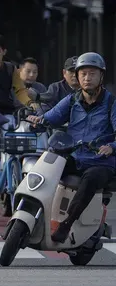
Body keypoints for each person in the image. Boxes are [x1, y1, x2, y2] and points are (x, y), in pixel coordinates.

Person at [28, 52, 116, 243]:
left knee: (91, 178)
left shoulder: (111, 103)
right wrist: (38, 120)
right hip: (75, 157)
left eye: (92, 73)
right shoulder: (72, 100)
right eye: (83, 73)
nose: (87, 78)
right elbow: (51, 118)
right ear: (76, 76)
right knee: (45, 167)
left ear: (101, 76)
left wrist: (111, 147)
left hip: (101, 162)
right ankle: (28, 214)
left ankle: (66, 224)